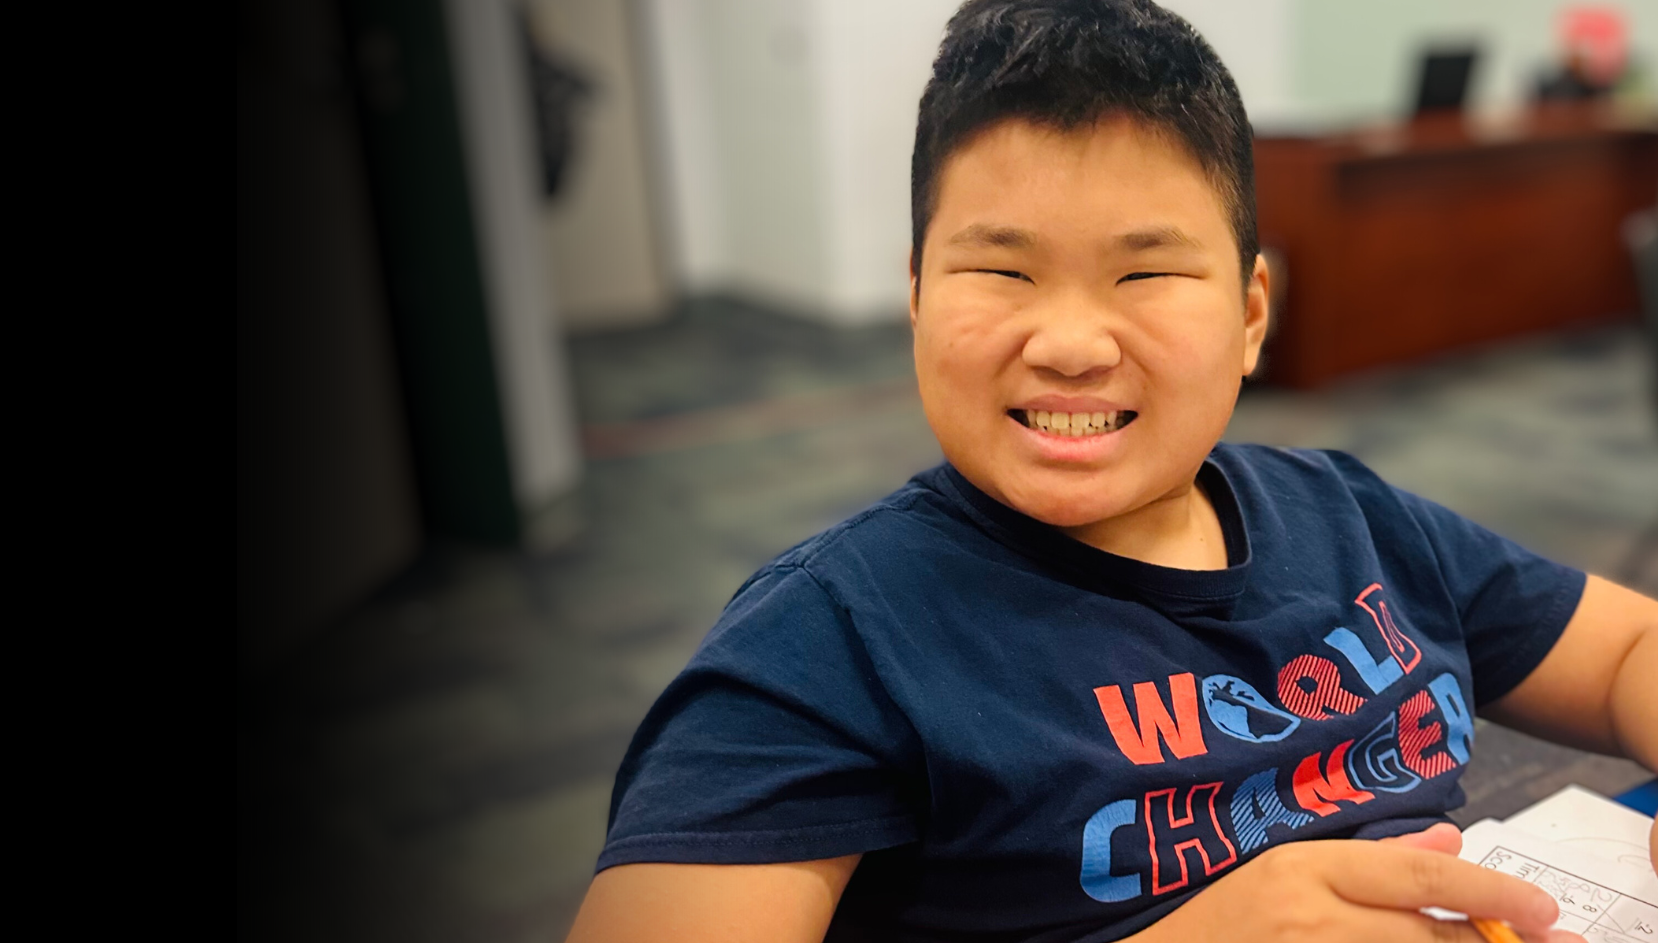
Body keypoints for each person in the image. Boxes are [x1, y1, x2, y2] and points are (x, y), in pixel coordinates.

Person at [560, 2, 1658, 941]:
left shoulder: (1353, 518)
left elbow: (1625, 648)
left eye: (1145, 271)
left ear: (1248, 316)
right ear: (915, 294)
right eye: (1000, 267)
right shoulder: (827, 648)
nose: (1071, 342)